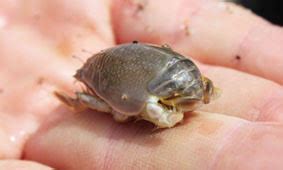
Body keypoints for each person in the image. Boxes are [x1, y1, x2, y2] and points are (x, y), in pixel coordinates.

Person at [1, 0, 283, 169]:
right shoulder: (149, 99)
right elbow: (151, 108)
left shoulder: (184, 84)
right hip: (113, 72)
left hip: (159, 72)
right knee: (122, 106)